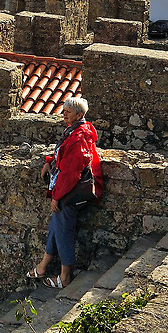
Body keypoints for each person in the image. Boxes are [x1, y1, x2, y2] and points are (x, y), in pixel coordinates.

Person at [30, 97, 103, 289]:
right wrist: (49, 160)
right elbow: (63, 153)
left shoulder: (79, 136)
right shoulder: (75, 131)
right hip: (68, 190)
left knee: (64, 233)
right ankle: (43, 266)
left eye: (68, 112)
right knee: (56, 226)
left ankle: (65, 277)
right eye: (63, 110)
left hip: (71, 193)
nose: (64, 114)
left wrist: (57, 196)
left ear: (79, 115)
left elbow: (71, 172)